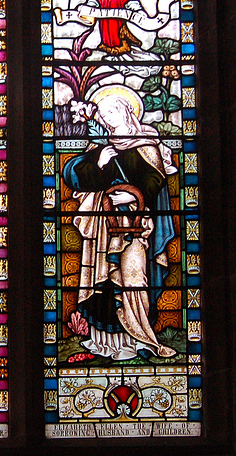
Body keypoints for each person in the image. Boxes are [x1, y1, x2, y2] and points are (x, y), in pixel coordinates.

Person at [63, 85, 177, 359]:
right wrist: (99, 163)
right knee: (101, 281)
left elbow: (154, 182)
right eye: (103, 114)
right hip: (103, 228)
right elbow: (72, 174)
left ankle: (141, 338)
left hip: (136, 227)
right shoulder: (101, 147)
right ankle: (104, 344)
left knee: (134, 277)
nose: (107, 117)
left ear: (126, 111)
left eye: (112, 111)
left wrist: (131, 194)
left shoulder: (146, 146)